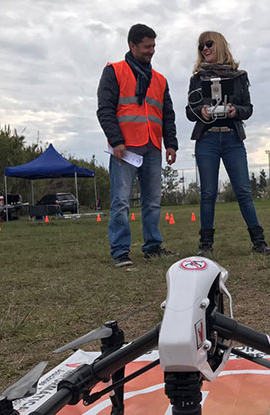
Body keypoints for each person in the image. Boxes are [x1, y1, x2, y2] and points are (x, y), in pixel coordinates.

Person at [97, 23, 178, 267]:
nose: (151, 51)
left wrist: (171, 144)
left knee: (153, 201)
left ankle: (153, 246)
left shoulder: (160, 80)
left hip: (153, 146)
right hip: (126, 148)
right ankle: (120, 250)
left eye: (154, 46)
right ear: (132, 46)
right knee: (120, 201)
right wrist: (117, 141)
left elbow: (167, 115)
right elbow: (105, 110)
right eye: (147, 46)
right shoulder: (114, 71)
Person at [186, 31, 270, 256]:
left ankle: (259, 242)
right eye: (201, 46)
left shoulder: (239, 76)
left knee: (243, 191)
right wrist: (201, 112)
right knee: (208, 193)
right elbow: (189, 111)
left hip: (233, 138)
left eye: (208, 44)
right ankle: (205, 246)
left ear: (220, 45)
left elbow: (248, 109)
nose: (204, 49)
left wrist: (235, 111)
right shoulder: (197, 78)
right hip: (207, 139)